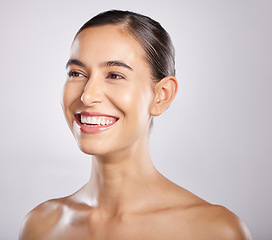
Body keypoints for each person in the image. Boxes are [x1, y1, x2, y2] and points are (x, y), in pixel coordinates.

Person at [19, 10, 252, 240]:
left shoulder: (214, 231)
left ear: (161, 95)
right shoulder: (41, 226)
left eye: (115, 75)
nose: (87, 96)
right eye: (77, 73)